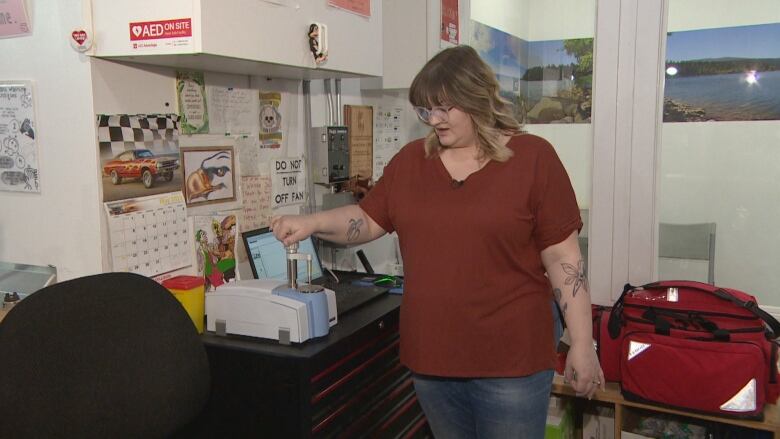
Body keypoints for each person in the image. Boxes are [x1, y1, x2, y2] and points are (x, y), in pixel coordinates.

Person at [271, 45, 604, 438]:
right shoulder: (412, 162)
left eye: (444, 108)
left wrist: (583, 342)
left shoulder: (533, 159)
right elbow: (366, 219)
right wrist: (310, 222)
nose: (434, 119)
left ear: (477, 98)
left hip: (512, 362)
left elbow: (564, 259)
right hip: (432, 362)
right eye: (426, 110)